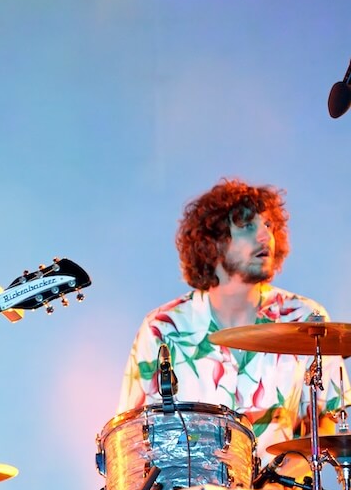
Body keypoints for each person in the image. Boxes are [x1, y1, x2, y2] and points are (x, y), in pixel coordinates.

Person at [117, 178, 347, 465]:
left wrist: (293, 473)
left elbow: (329, 418)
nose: (265, 237)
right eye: (248, 227)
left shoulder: (305, 319)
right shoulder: (163, 327)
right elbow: (128, 436)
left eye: (268, 227)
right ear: (211, 243)